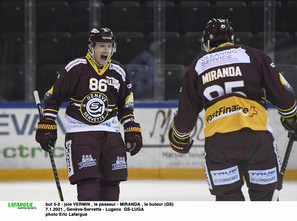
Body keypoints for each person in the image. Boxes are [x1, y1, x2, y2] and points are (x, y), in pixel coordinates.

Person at [168, 18, 297, 201]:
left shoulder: (197, 67)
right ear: (232, 38)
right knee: (265, 202)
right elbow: (284, 96)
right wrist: (292, 119)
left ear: (206, 42)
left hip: (219, 144)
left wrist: (179, 138)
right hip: (257, 140)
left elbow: (185, 116)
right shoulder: (254, 56)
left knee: (228, 203)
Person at [35, 27, 143, 201]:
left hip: (111, 132)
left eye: (109, 46)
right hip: (80, 133)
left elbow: (125, 106)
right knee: (88, 182)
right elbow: (53, 99)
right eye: (101, 45)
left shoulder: (119, 71)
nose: (106, 50)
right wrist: (48, 123)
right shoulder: (76, 68)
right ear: (91, 47)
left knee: (112, 182)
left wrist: (130, 127)